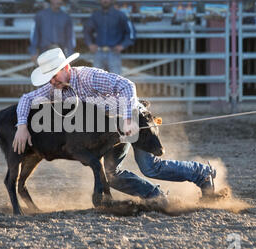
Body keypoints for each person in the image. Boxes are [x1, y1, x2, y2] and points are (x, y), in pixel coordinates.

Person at [13, 47, 217, 204]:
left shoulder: (88, 77)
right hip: (113, 130)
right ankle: (156, 197)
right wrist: (22, 125)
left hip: (133, 117)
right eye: (48, 78)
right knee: (112, 173)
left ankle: (201, 172)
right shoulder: (56, 87)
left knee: (150, 166)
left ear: (66, 69)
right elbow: (26, 99)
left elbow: (127, 86)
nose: (52, 81)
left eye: (54, 75)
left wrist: (128, 119)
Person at [83, 0, 135, 75]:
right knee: (96, 81)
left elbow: (131, 33)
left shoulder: (120, 15)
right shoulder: (95, 15)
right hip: (98, 52)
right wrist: (90, 44)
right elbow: (86, 31)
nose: (105, 0)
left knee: (116, 81)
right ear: (100, 0)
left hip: (114, 52)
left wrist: (123, 45)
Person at [29, 0, 75, 64]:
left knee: (60, 74)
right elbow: (35, 34)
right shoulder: (40, 15)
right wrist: (33, 51)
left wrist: (70, 53)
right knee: (45, 74)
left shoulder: (66, 17)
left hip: (60, 51)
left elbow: (69, 36)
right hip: (44, 51)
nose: (59, 1)